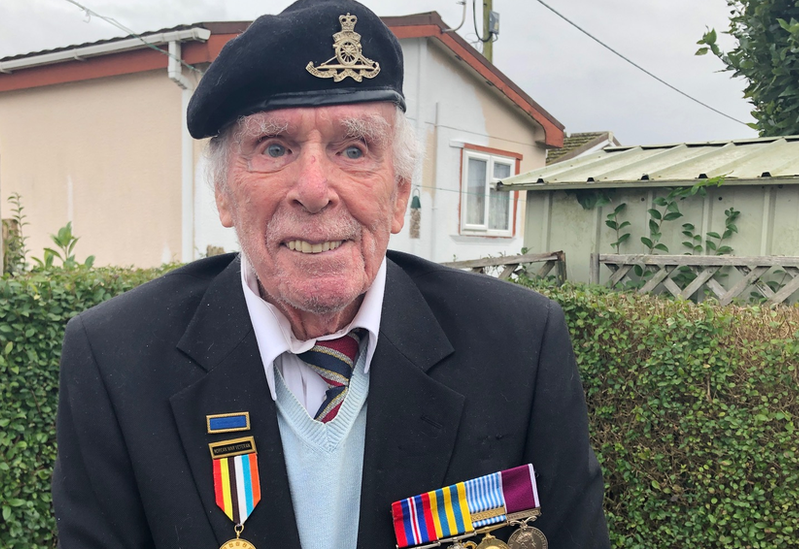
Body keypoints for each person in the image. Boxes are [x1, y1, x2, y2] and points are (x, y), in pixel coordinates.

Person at [51, 1, 610, 548]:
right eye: (275, 147)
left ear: (398, 195)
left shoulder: (519, 344)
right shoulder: (115, 358)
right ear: (224, 194)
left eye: (353, 148)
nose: (315, 190)